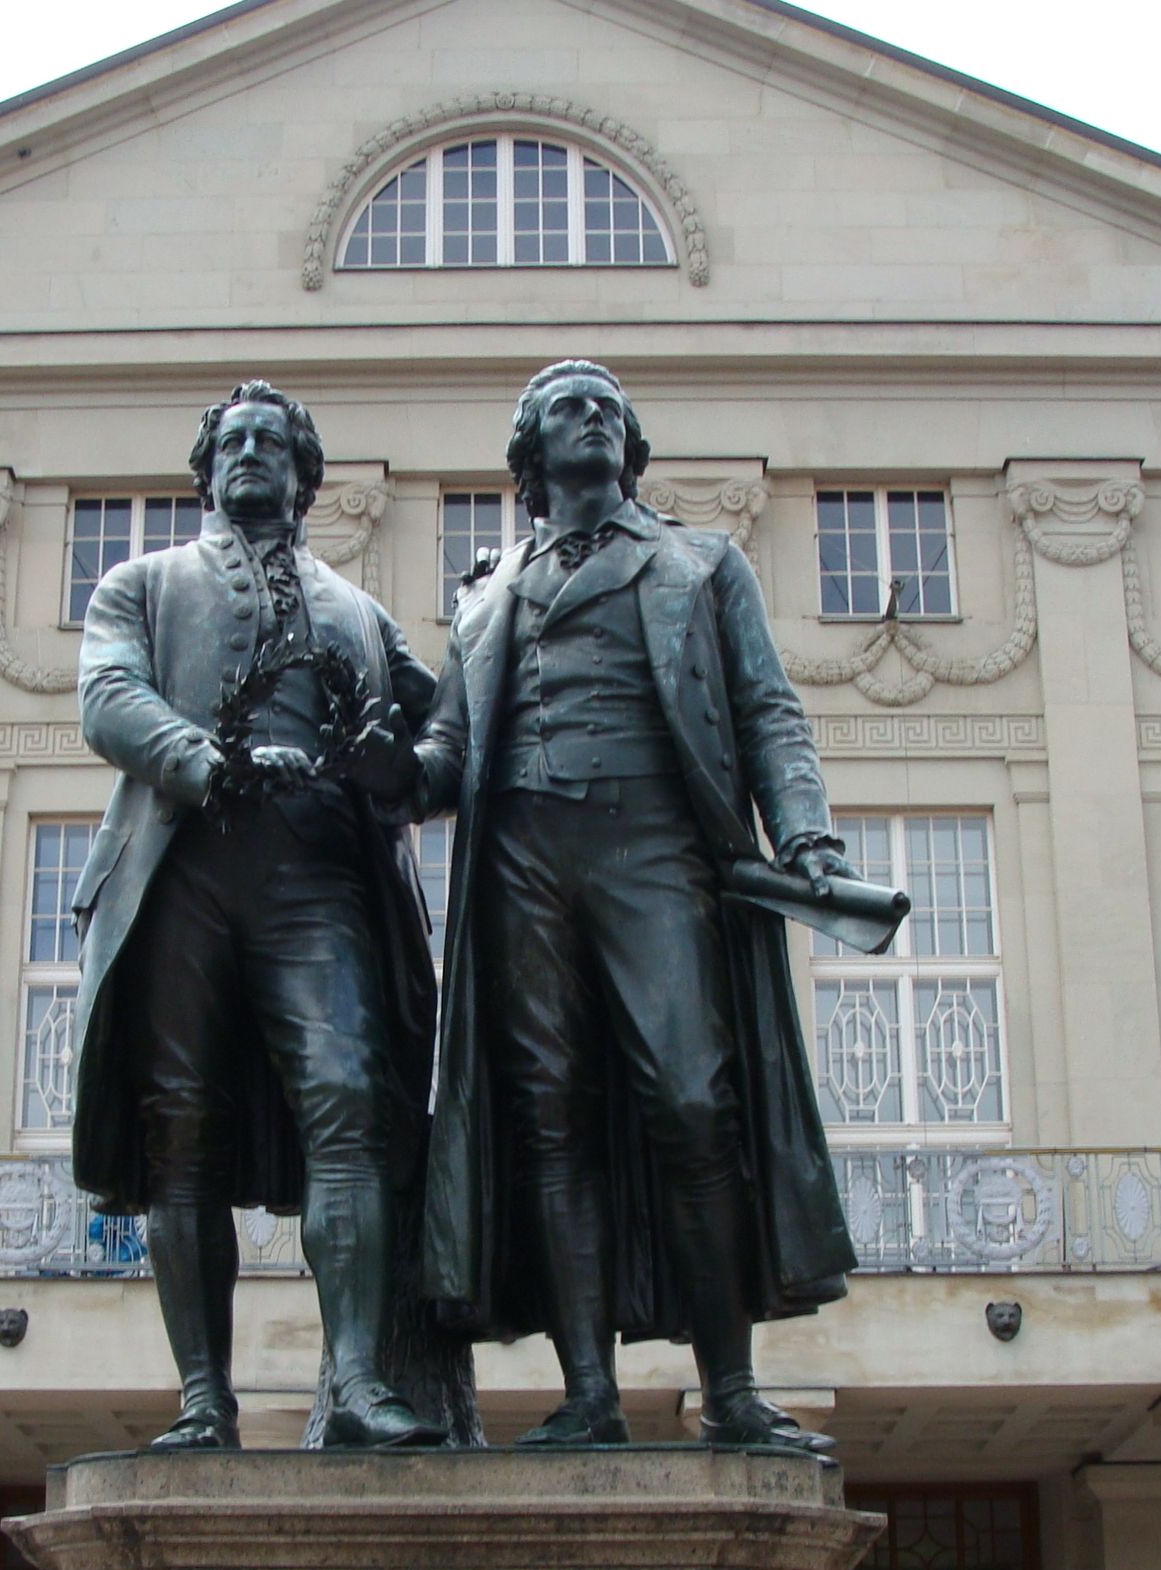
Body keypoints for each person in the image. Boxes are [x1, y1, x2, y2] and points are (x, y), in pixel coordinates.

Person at [397, 359, 861, 1453]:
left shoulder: (701, 562)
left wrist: (805, 833)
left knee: (695, 1104)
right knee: (549, 1120)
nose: (593, 417)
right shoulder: (488, 588)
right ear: (530, 451)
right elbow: (449, 754)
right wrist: (386, 771)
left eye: (609, 408)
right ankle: (588, 1395)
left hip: (654, 844)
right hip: (521, 855)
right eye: (569, 406)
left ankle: (733, 1391)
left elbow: (768, 712)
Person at [72, 380, 444, 1450]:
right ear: (207, 471)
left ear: (303, 474)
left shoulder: (361, 612)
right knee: (181, 1132)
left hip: (318, 880)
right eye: (232, 442)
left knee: (347, 1104)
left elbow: (446, 734)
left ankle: (361, 1382)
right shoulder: (141, 583)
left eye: (270, 442)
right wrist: (208, 760)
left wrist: (403, 761)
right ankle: (203, 1398)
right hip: (186, 869)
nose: (249, 455)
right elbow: (107, 697)